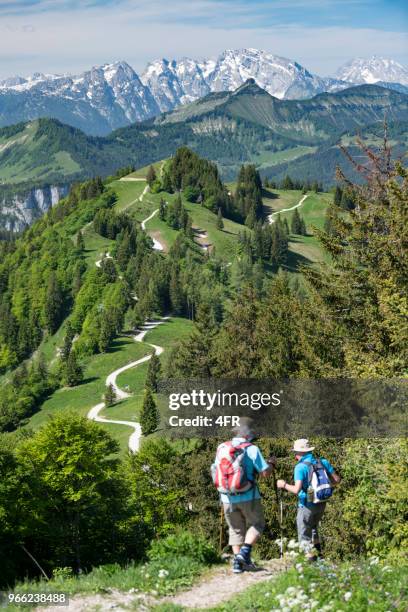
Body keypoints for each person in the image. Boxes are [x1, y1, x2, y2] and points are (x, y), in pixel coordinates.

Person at [213, 418, 274, 573]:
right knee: (257, 524)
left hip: (226, 497)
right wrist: (271, 464)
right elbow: (265, 473)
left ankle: (238, 564)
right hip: (248, 495)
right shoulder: (251, 448)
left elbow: (215, 469)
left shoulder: (222, 447)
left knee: (235, 529)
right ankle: (244, 553)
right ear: (249, 434)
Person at [276, 439, 340, 559]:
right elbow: (336, 480)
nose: (295, 455)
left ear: (300, 453)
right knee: (314, 528)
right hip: (321, 503)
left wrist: (283, 484)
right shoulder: (323, 462)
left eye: (296, 452)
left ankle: (309, 564)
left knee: (304, 534)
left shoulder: (300, 467)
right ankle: (319, 558)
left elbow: (296, 489)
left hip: (306, 505)